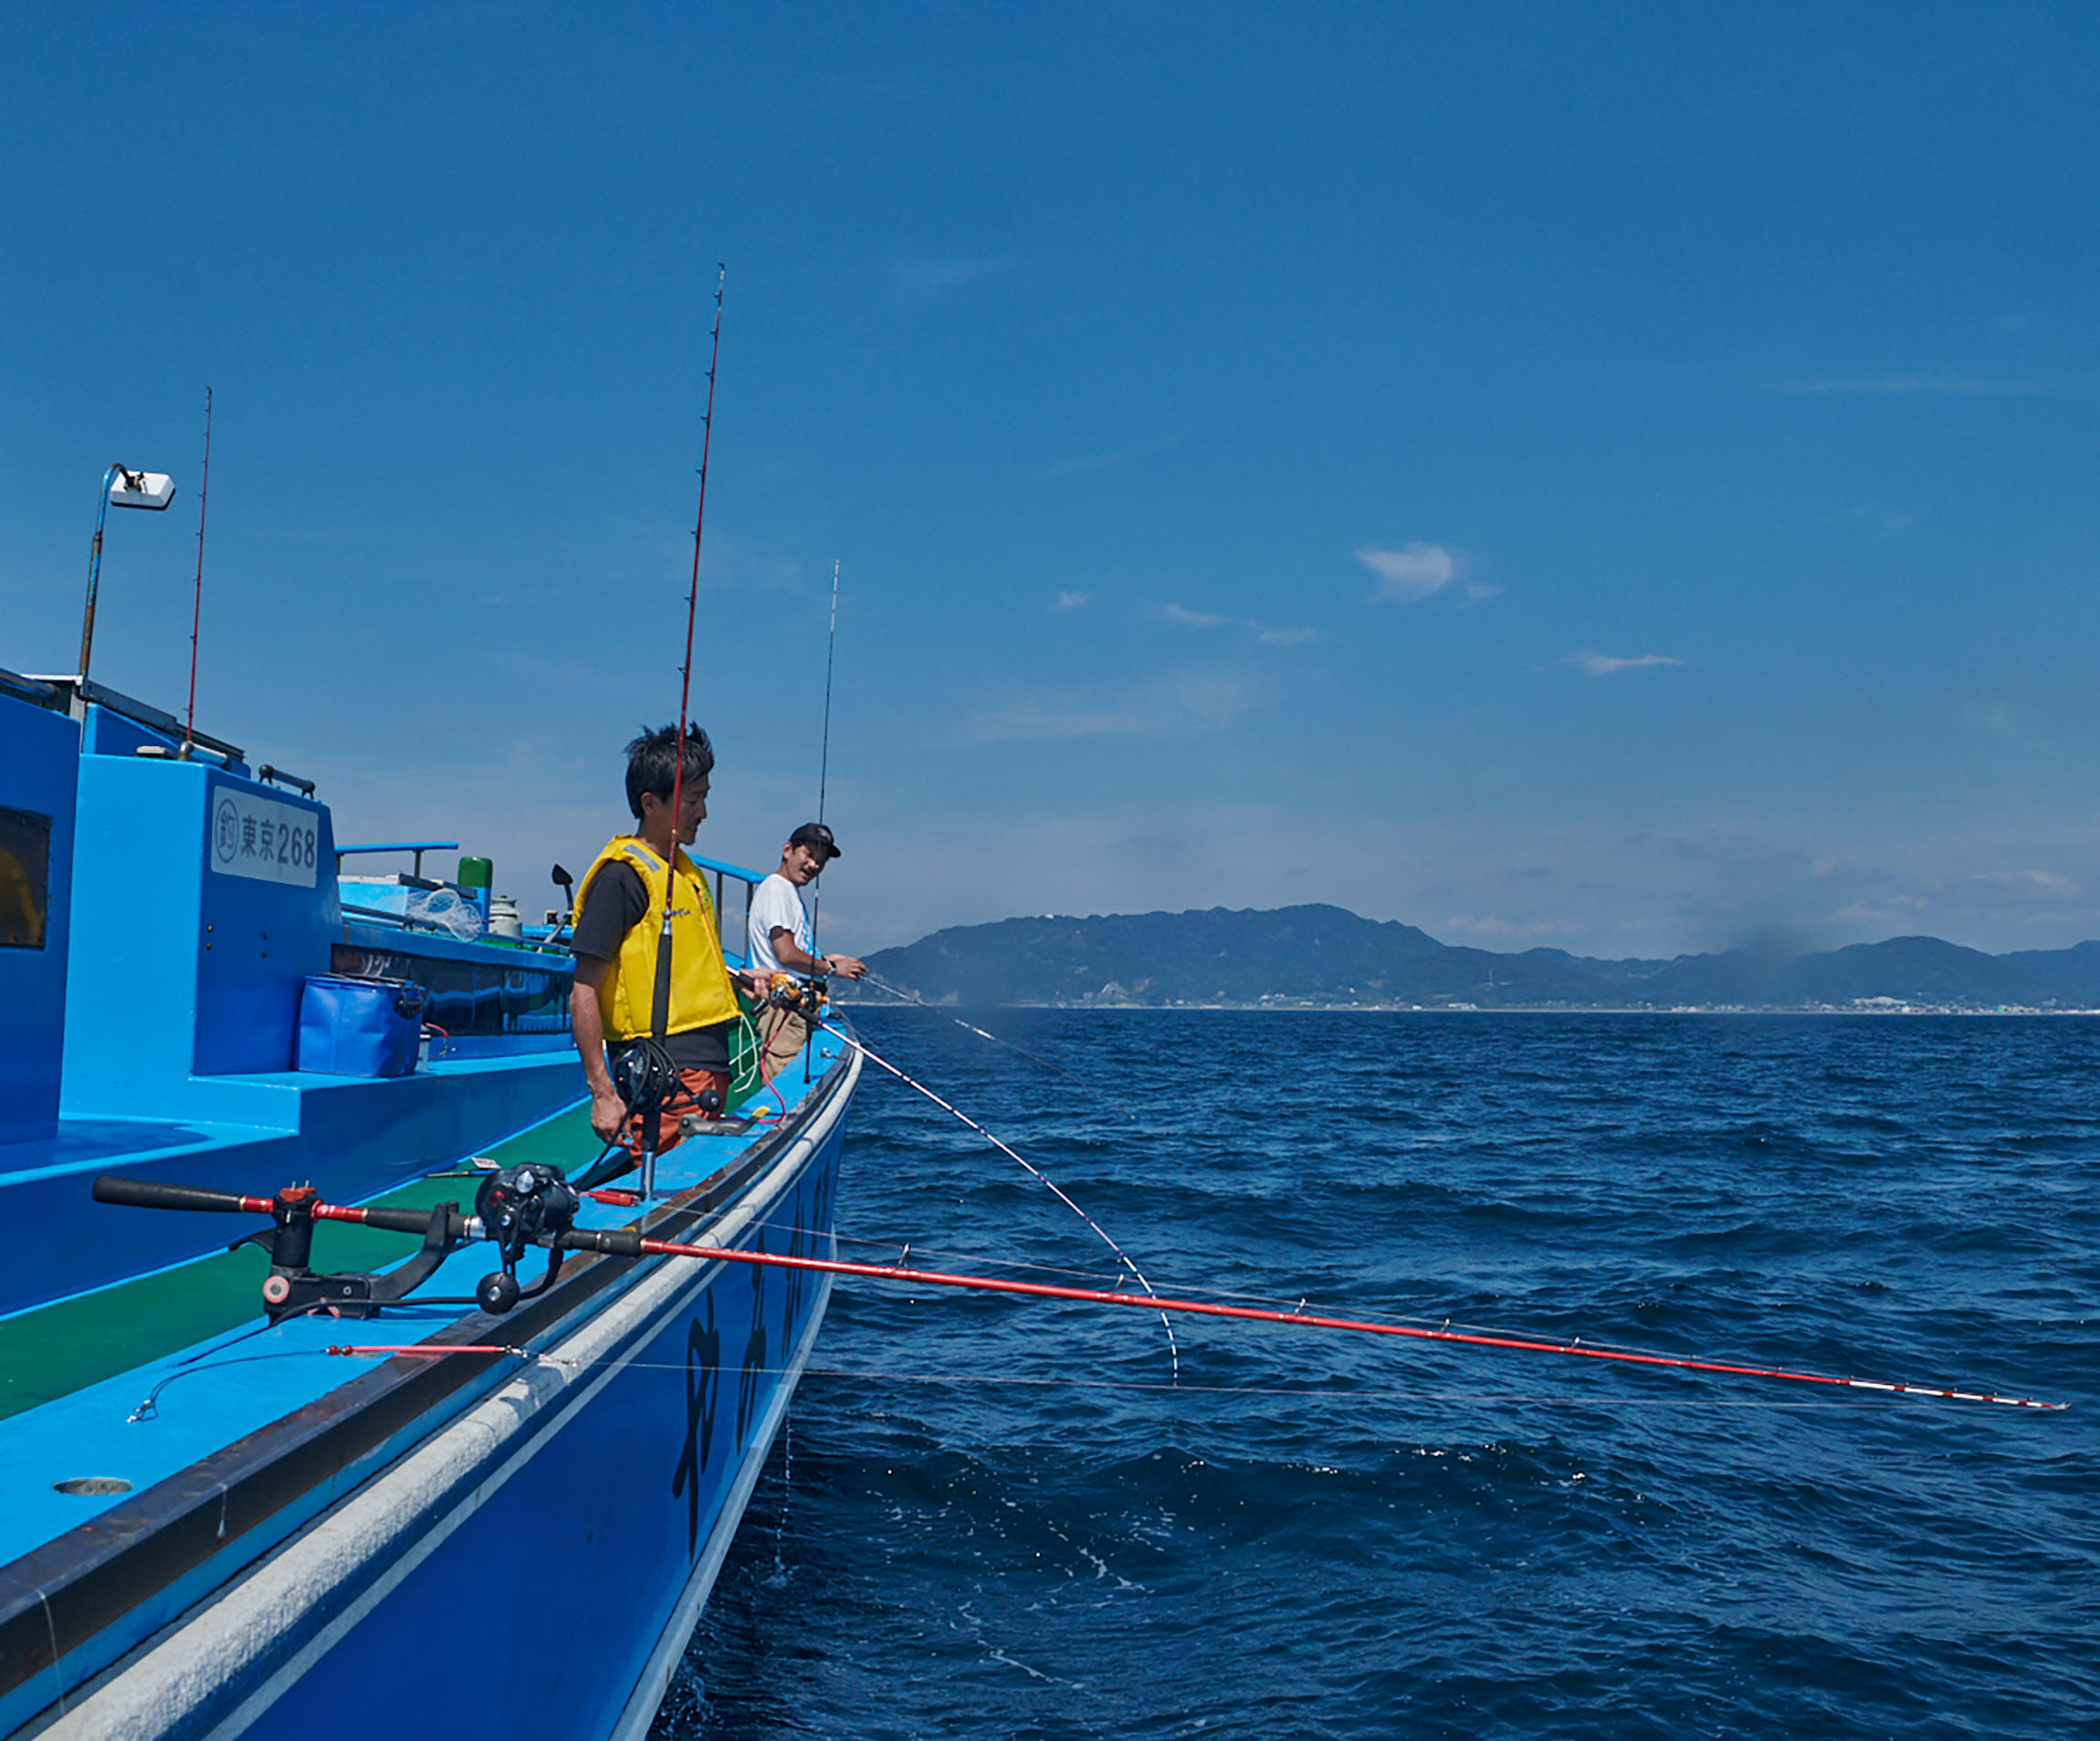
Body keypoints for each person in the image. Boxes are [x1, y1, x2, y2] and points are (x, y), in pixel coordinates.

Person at [570, 725, 761, 1164]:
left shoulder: (683, 873)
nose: (703, 812)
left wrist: (740, 980)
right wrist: (602, 1093)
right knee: (672, 1189)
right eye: (692, 801)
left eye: (705, 798)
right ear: (649, 803)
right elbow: (583, 991)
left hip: (705, 1071)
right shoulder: (621, 879)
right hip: (665, 1075)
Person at [746, 822, 865, 1081]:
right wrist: (831, 968)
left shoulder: (788, 892)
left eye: (820, 862)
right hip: (783, 1012)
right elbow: (786, 954)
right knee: (784, 1082)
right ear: (787, 850)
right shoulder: (776, 888)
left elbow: (791, 952)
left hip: (794, 1009)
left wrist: (823, 960)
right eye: (809, 855)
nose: (814, 865)